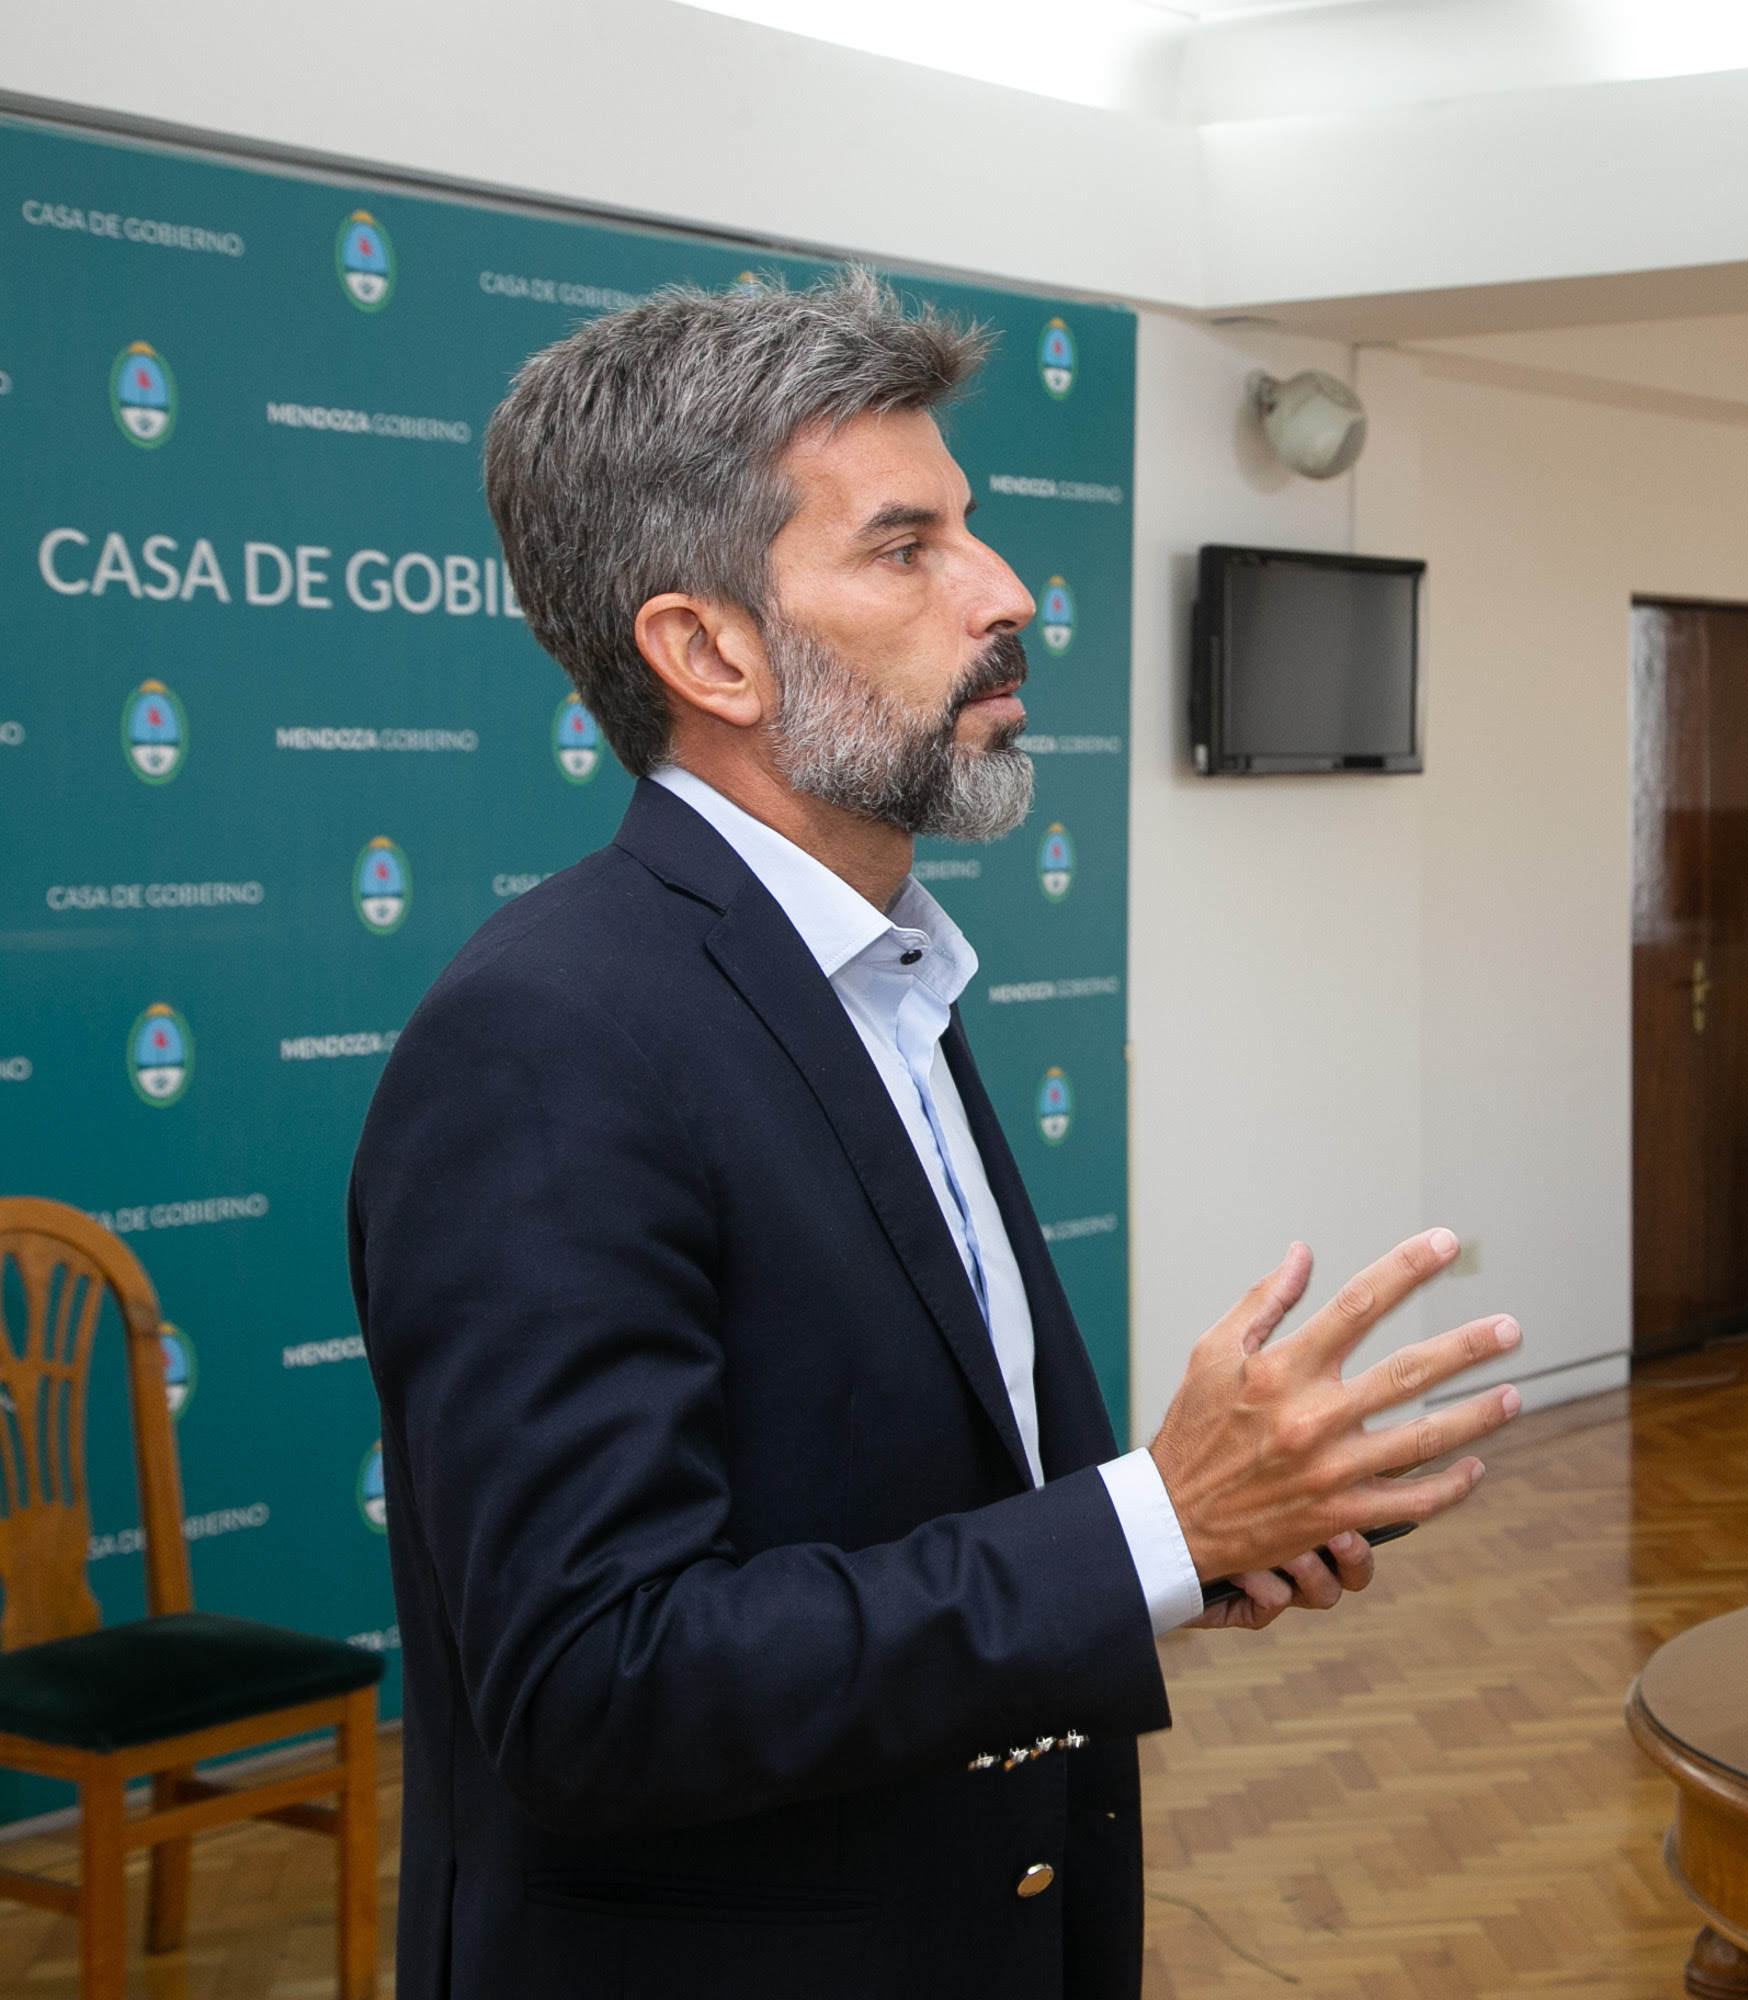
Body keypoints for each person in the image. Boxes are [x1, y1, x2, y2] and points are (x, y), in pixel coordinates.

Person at [349, 274, 1522, 2000]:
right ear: (708, 653)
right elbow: (598, 1684)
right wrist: (1148, 1528)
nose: (1005, 591)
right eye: (907, 549)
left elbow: (895, 1508)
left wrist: (1193, 1547)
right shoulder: (547, 1040)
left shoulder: (878, 978)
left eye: (966, 528)